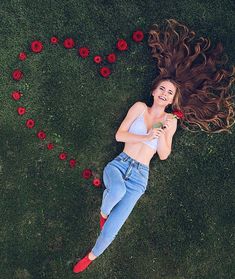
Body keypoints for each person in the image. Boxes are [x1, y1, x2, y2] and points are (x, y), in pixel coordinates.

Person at [72, 19, 235, 273]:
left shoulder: (170, 122)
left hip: (139, 177)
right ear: (154, 90)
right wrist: (146, 135)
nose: (163, 94)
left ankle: (91, 256)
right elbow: (119, 136)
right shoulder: (139, 108)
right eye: (161, 89)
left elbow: (164, 154)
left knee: (114, 229)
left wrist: (166, 134)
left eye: (169, 93)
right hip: (119, 165)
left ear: (173, 101)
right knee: (115, 194)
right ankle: (104, 211)